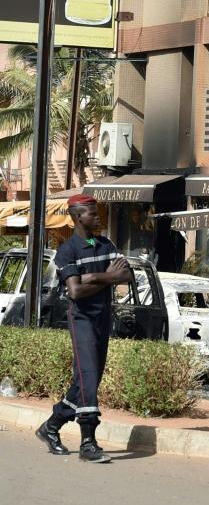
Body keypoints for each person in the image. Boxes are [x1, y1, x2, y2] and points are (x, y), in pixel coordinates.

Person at [36, 194, 133, 463]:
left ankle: (50, 427)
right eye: (92, 213)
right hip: (82, 321)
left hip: (103, 318)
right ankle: (88, 443)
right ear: (78, 217)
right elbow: (76, 291)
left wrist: (98, 276)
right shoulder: (68, 250)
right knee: (88, 378)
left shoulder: (104, 244)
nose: (97, 216)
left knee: (85, 382)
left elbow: (127, 275)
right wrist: (109, 277)